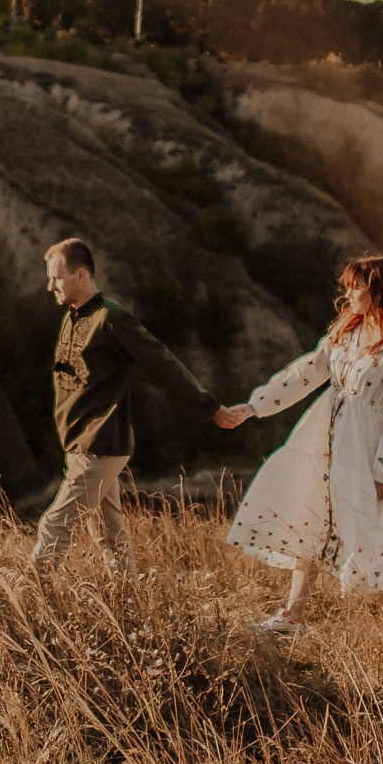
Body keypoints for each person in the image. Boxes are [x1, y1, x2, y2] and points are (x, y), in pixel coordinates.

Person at [217, 253, 383, 632]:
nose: (348, 293)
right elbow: (306, 371)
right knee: (310, 519)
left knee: (364, 531)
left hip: (362, 449)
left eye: (356, 287)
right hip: (322, 438)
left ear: (377, 292)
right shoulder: (345, 334)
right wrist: (255, 406)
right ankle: (293, 615)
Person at [33, 236, 244, 589]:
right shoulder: (72, 317)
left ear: (81, 275)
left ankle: (26, 601)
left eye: (57, 278)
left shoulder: (111, 318)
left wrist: (210, 409)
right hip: (79, 446)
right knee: (111, 538)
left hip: (100, 444)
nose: (49, 286)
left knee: (54, 525)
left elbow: (163, 364)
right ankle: (130, 604)